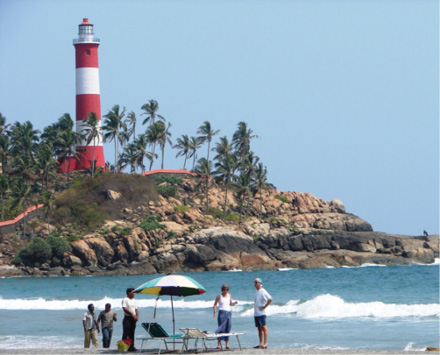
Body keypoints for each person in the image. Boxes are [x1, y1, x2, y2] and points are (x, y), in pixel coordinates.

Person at [213, 284, 238, 349]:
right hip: (222, 312)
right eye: (224, 290)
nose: (225, 291)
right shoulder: (219, 296)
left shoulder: (229, 295)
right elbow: (215, 304)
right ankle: (219, 344)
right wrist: (215, 312)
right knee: (221, 327)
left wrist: (234, 303)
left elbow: (230, 304)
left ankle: (227, 344)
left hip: (228, 312)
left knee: (228, 327)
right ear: (222, 290)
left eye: (226, 290)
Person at [253, 278, 272, 349]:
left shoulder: (263, 291)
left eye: (256, 282)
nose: (255, 284)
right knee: (259, 328)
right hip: (256, 313)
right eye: (254, 282)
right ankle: (260, 343)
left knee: (264, 328)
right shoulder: (256, 291)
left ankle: (265, 343)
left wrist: (264, 307)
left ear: (260, 283)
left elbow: (270, 299)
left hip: (262, 313)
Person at [122, 287, 139, 352]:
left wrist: (137, 315)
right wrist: (131, 314)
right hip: (127, 318)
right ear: (129, 293)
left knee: (132, 333)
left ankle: (131, 347)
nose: (134, 294)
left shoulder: (134, 300)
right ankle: (123, 347)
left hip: (133, 318)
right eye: (133, 292)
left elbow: (136, 309)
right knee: (126, 333)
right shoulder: (125, 299)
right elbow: (124, 308)